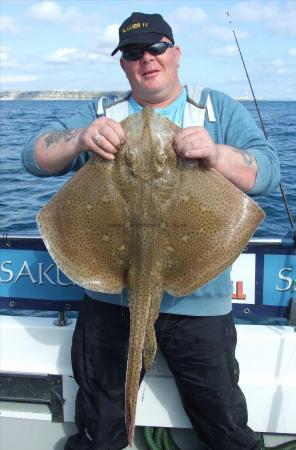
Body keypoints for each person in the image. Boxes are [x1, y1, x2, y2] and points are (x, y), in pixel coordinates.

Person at [22, 12, 280, 450]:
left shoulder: (214, 108)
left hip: (200, 305)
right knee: (100, 427)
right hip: (109, 303)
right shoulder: (104, 113)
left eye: (156, 47)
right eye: (133, 53)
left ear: (176, 53)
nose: (147, 59)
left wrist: (215, 153)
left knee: (224, 428)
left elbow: (269, 172)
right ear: (123, 64)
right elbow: (33, 158)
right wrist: (80, 139)